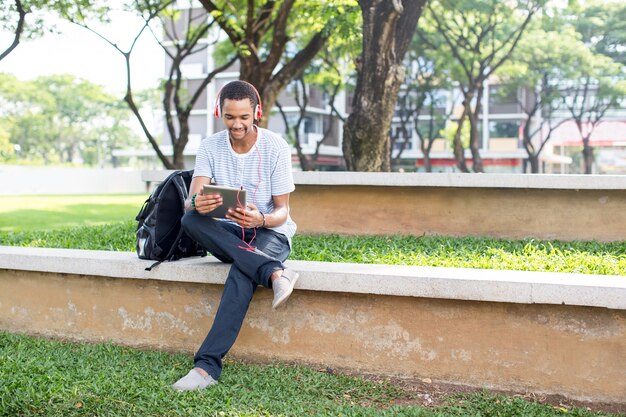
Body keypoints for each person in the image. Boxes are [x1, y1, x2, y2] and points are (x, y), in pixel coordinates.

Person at [172, 80, 299, 391]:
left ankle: (206, 368)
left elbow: (283, 211)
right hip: (229, 231)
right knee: (190, 218)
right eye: (230, 117)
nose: (237, 124)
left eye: (244, 117)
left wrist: (262, 218)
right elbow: (191, 200)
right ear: (220, 113)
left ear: (257, 112)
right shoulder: (210, 146)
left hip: (269, 232)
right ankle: (273, 272)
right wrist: (198, 203)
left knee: (242, 273)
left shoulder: (276, 147)